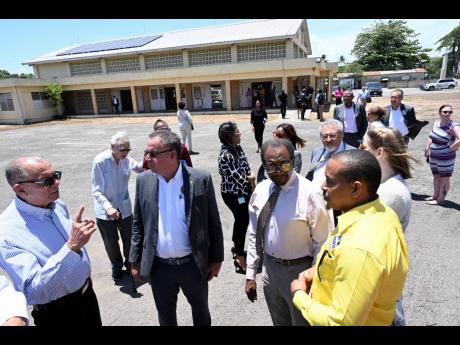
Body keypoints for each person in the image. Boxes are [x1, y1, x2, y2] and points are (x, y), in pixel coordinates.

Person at [290, 149, 409, 326]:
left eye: (330, 181)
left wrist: (299, 296)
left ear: (355, 188)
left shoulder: (359, 247)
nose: (323, 185)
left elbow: (341, 323)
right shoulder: (380, 212)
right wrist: (320, 271)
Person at [129, 130, 224, 326]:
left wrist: (216, 258)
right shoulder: (143, 181)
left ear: (172, 154)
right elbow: (138, 223)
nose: (147, 159)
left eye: (152, 154)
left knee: (201, 312)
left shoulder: (200, 179)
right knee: (165, 316)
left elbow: (213, 222)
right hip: (159, 267)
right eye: (146, 153)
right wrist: (134, 260)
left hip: (193, 265)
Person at [0, 156, 102, 326]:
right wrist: (72, 248)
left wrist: (77, 237)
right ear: (20, 190)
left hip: (87, 298)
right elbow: (34, 291)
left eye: (55, 175)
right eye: (47, 181)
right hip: (58, 315)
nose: (57, 183)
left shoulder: (57, 205)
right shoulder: (6, 234)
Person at [245, 139, 332, 326]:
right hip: (270, 270)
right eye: (271, 166)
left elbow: (322, 242)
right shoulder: (260, 190)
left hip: (301, 271)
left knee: (303, 322)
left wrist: (315, 279)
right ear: (264, 165)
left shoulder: (310, 193)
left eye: (284, 163)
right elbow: (254, 233)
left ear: (293, 160)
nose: (279, 171)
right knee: (279, 322)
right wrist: (251, 274)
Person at [361, 127, 418, 325]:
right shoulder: (383, 183)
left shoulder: (391, 193)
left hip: (379, 276)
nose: (360, 151)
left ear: (379, 152)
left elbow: (366, 236)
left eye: (363, 147)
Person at [91, 130, 143, 281]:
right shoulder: (100, 161)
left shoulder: (126, 159)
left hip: (124, 207)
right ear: (112, 146)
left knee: (129, 238)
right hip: (105, 210)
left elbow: (138, 169)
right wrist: (108, 207)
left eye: (128, 149)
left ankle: (131, 264)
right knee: (111, 242)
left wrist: (146, 160)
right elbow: (96, 190)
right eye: (123, 149)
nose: (126, 152)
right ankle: (116, 265)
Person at [218, 122, 256, 274]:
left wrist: (250, 176)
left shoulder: (237, 148)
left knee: (243, 220)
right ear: (231, 136)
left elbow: (246, 166)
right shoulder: (225, 156)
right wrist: (250, 178)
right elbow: (238, 178)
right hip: (233, 194)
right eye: (238, 131)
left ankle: (237, 247)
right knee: (242, 220)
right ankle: (239, 256)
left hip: (243, 192)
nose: (240, 133)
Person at [424, 104, 460, 205]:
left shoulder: (453, 126)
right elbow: (432, 136)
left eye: (450, 112)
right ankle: (435, 195)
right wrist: (427, 148)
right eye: (445, 112)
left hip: (446, 157)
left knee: (444, 178)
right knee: (436, 176)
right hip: (434, 156)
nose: (447, 114)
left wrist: (452, 147)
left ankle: (440, 199)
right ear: (440, 113)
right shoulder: (436, 123)